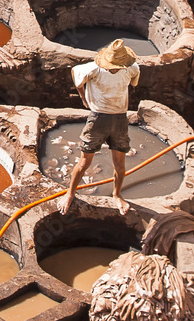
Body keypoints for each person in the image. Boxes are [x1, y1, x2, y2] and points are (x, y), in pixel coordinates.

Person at [58, 39, 142, 215]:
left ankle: (117, 195)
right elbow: (75, 73)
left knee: (119, 164)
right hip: (98, 119)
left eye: (118, 66)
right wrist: (83, 98)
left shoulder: (131, 68)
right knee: (84, 162)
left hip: (120, 119)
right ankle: (70, 193)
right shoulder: (94, 69)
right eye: (113, 66)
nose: (115, 69)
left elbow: (134, 81)